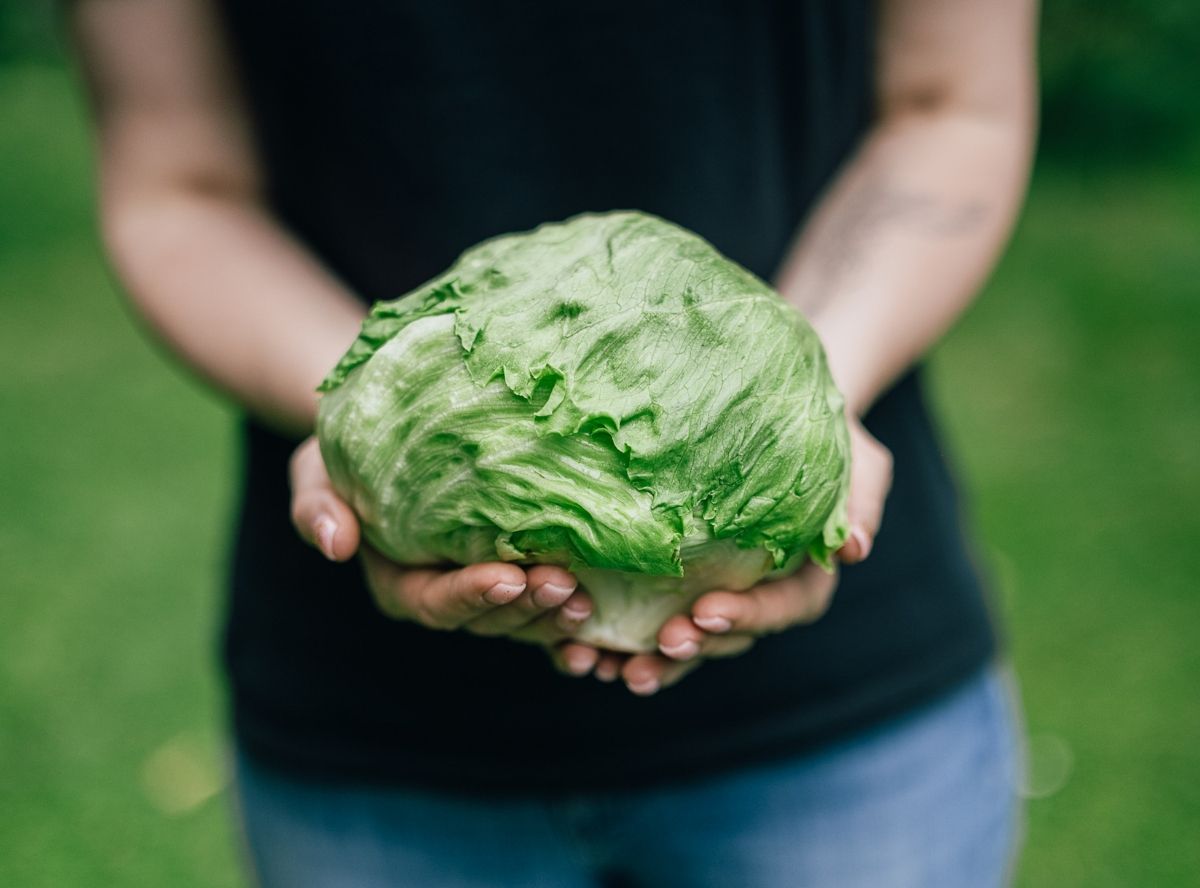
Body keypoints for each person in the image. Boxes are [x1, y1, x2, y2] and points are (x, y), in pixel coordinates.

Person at [71, 0, 1037, 884]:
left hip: (845, 714)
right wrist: (367, 410)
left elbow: (953, 105)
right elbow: (178, 182)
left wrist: (803, 404)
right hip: (373, 728)